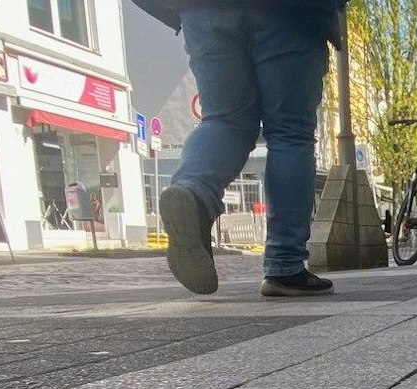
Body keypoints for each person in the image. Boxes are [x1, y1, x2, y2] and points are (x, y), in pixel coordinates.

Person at [135, 0, 345, 298]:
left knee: (224, 121)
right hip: (290, 14)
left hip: (202, 10)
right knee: (290, 133)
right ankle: (285, 265)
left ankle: (193, 192)